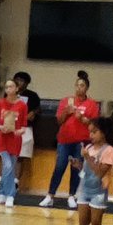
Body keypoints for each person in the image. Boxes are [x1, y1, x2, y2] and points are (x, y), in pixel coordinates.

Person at [41, 73, 99, 209]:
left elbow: (94, 124)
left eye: (82, 86)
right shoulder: (66, 101)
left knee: (76, 168)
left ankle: (72, 196)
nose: (79, 88)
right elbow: (59, 121)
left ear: (87, 88)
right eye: (77, 85)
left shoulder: (91, 104)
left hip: (81, 141)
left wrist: (82, 118)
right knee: (60, 167)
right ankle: (50, 195)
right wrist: (66, 112)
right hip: (64, 140)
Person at [70, 119, 113, 225]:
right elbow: (87, 170)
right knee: (82, 223)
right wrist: (78, 165)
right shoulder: (89, 147)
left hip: (98, 192)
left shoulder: (109, 150)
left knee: (96, 224)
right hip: (84, 190)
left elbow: (99, 173)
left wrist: (87, 157)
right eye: (90, 131)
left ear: (104, 133)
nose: (91, 135)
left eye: (94, 132)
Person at [0, 78, 28, 208]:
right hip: (3, 139)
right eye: (6, 87)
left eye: (11, 87)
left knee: (10, 167)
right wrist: (0, 127)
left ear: (17, 88)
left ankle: (2, 192)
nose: (8, 89)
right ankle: (10, 194)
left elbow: (24, 125)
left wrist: (20, 131)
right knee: (7, 165)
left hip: (15, 140)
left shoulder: (22, 105)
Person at [13, 71, 41, 186]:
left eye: (22, 80)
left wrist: (33, 112)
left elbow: (38, 109)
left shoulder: (32, 95)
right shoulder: (9, 93)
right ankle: (0, 180)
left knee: (21, 154)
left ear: (27, 83)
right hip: (11, 126)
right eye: (17, 79)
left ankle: (15, 181)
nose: (19, 82)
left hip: (25, 126)